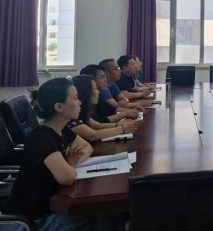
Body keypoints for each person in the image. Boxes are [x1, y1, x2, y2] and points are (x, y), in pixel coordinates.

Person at [3, 78, 124, 231]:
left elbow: (87, 147)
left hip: (52, 206)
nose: (80, 102)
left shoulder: (61, 129)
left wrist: (73, 162)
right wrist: (71, 163)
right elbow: (67, 177)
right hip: (35, 220)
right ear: (59, 107)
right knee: (106, 213)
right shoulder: (41, 138)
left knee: (109, 212)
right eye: (75, 98)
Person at [68, 76, 139, 143]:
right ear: (85, 92)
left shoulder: (82, 111)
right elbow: (93, 135)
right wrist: (123, 128)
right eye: (95, 88)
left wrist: (120, 124)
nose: (98, 92)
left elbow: (98, 125)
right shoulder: (71, 117)